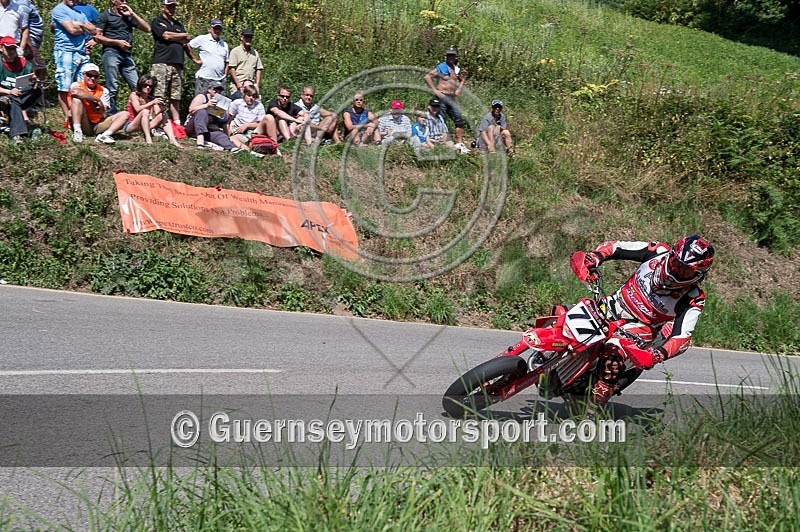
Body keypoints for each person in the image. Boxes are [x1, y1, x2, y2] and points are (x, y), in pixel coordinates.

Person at [569, 235, 716, 405]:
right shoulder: (658, 251)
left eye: (686, 270)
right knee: (562, 312)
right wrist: (595, 257)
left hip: (641, 328)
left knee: (613, 353)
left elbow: (682, 336)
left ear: (699, 274)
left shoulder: (694, 297)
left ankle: (595, 403)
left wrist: (658, 354)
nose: (677, 271)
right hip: (613, 304)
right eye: (676, 263)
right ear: (672, 255)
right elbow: (617, 246)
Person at [94, 0, 150, 115]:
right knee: (112, 85)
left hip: (126, 54)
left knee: (137, 86)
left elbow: (147, 29)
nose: (124, 2)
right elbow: (97, 37)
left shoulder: (127, 15)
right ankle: (112, 115)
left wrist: (132, 14)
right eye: (122, 0)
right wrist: (116, 42)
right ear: (113, 1)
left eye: (126, 0)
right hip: (111, 52)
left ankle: (139, 114)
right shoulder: (105, 15)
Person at [52, 0, 97, 125]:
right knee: (64, 87)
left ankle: (79, 117)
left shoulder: (79, 13)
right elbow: (71, 29)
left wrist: (80, 25)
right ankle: (68, 118)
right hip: (65, 51)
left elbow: (94, 31)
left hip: (81, 53)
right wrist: (84, 27)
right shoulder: (59, 9)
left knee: (81, 86)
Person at [150, 0, 190, 124]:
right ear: (163, 7)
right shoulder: (157, 21)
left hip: (177, 63)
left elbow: (185, 42)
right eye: (169, 6)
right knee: (158, 94)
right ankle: (156, 122)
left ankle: (176, 123)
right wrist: (182, 35)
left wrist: (194, 59)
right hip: (161, 62)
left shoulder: (178, 24)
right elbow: (165, 36)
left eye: (173, 6)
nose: (172, 9)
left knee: (175, 96)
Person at [68, 62, 128, 143]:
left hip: (98, 123)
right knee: (76, 99)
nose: (92, 78)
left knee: (125, 114)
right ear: (84, 75)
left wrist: (87, 98)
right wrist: (96, 100)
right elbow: (75, 92)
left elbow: (102, 111)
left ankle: (105, 135)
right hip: (83, 120)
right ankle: (77, 131)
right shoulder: (77, 84)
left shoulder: (104, 90)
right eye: (89, 75)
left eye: (95, 76)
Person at [424, 46, 468, 153]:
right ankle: (441, 143)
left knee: (458, 120)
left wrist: (459, 88)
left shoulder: (455, 69)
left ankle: (459, 143)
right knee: (441, 120)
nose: (451, 57)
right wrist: (435, 90)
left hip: (452, 97)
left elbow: (461, 80)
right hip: (442, 96)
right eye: (449, 55)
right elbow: (427, 77)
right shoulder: (441, 67)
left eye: (453, 55)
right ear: (445, 56)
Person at [0, 34, 41, 142]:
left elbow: (31, 80)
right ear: (1, 48)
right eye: (8, 49)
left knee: (37, 89)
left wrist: (34, 81)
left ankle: (16, 135)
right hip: (4, 93)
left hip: (20, 94)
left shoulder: (24, 64)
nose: (11, 52)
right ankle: (17, 134)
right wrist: (9, 91)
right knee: (13, 100)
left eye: (13, 48)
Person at [120, 74, 179, 146]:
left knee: (164, 114)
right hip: (131, 124)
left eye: (150, 86)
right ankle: (148, 138)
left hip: (145, 125)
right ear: (140, 85)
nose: (148, 87)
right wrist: (152, 103)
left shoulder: (151, 98)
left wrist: (162, 106)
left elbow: (157, 113)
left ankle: (172, 139)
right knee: (145, 111)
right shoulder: (134, 95)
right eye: (145, 85)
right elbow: (137, 109)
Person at [185, 82, 235, 150]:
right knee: (202, 112)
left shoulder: (221, 102)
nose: (217, 92)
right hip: (193, 127)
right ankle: (200, 140)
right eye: (215, 89)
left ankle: (231, 147)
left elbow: (224, 123)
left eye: (219, 90)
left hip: (208, 130)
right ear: (209, 90)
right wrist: (206, 105)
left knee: (221, 135)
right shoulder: (202, 97)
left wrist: (227, 136)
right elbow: (191, 110)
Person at [188, 18, 229, 97]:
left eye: (219, 29)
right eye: (215, 28)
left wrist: (224, 75)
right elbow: (188, 46)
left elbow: (227, 62)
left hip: (219, 80)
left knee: (219, 106)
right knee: (201, 103)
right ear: (210, 29)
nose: (217, 31)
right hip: (204, 78)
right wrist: (195, 60)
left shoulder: (224, 44)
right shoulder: (202, 39)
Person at [227, 83, 265, 153]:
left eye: (253, 96)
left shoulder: (259, 106)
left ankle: (249, 149)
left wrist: (247, 125)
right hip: (237, 127)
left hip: (252, 130)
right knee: (231, 138)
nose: (251, 98)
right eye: (249, 95)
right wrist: (228, 129)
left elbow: (260, 124)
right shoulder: (237, 103)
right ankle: (248, 150)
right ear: (244, 95)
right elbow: (229, 117)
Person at [227, 27, 262, 100]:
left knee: (254, 107)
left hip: (251, 85)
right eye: (246, 37)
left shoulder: (255, 53)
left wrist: (257, 85)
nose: (248, 39)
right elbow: (232, 69)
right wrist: (238, 85)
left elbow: (259, 69)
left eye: (250, 37)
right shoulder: (235, 51)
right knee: (239, 106)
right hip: (238, 86)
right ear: (242, 38)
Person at [16, 0, 45, 80]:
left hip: (32, 41)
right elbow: (24, 28)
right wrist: (32, 52)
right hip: (28, 42)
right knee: (37, 68)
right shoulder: (21, 2)